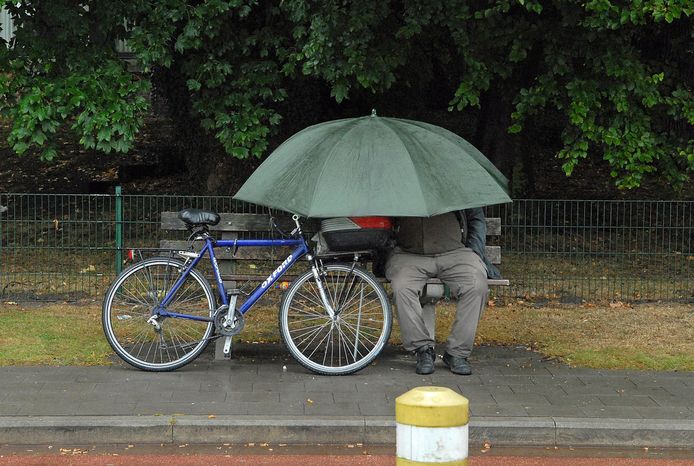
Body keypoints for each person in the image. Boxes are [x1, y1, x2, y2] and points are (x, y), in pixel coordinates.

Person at [385, 208, 500, 375]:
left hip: (455, 253)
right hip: (408, 254)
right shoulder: (399, 186)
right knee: (402, 288)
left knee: (476, 286)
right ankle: (422, 349)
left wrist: (474, 251)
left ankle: (457, 353)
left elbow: (476, 218)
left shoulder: (454, 184)